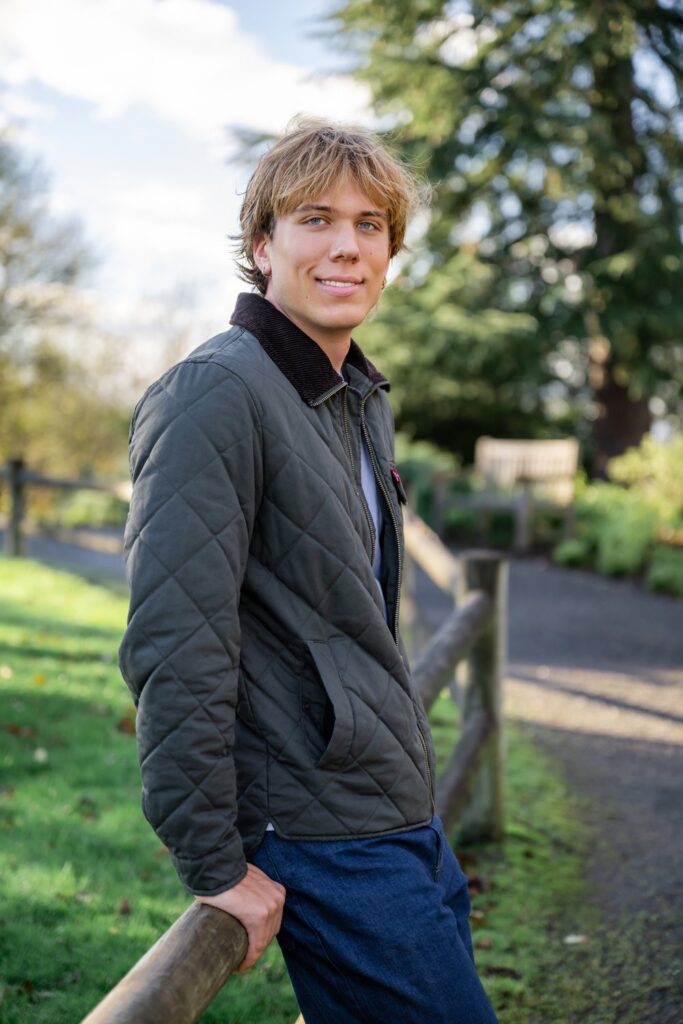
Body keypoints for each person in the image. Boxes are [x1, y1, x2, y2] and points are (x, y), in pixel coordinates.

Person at [119, 117, 499, 1024]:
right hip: (319, 829)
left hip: (393, 811)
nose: (346, 246)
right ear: (263, 244)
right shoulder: (215, 392)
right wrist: (213, 862)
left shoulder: (353, 393)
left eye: (371, 226)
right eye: (316, 219)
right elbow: (176, 640)